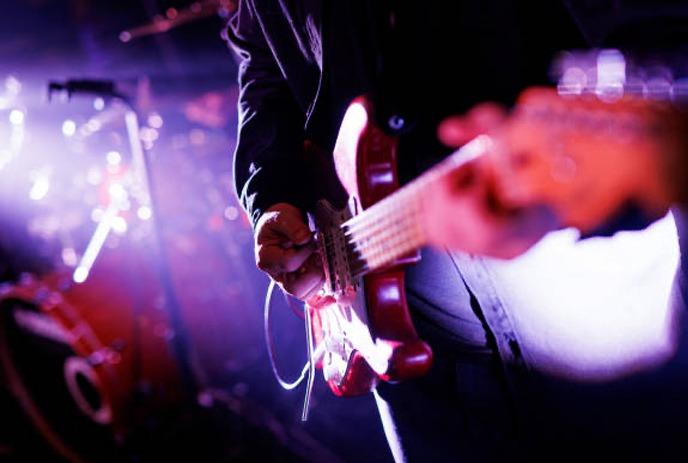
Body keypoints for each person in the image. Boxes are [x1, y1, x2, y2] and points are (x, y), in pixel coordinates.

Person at [226, 1, 688, 461]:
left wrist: (645, 99)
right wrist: (270, 193)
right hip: (392, 314)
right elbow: (259, 58)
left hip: (568, 236)